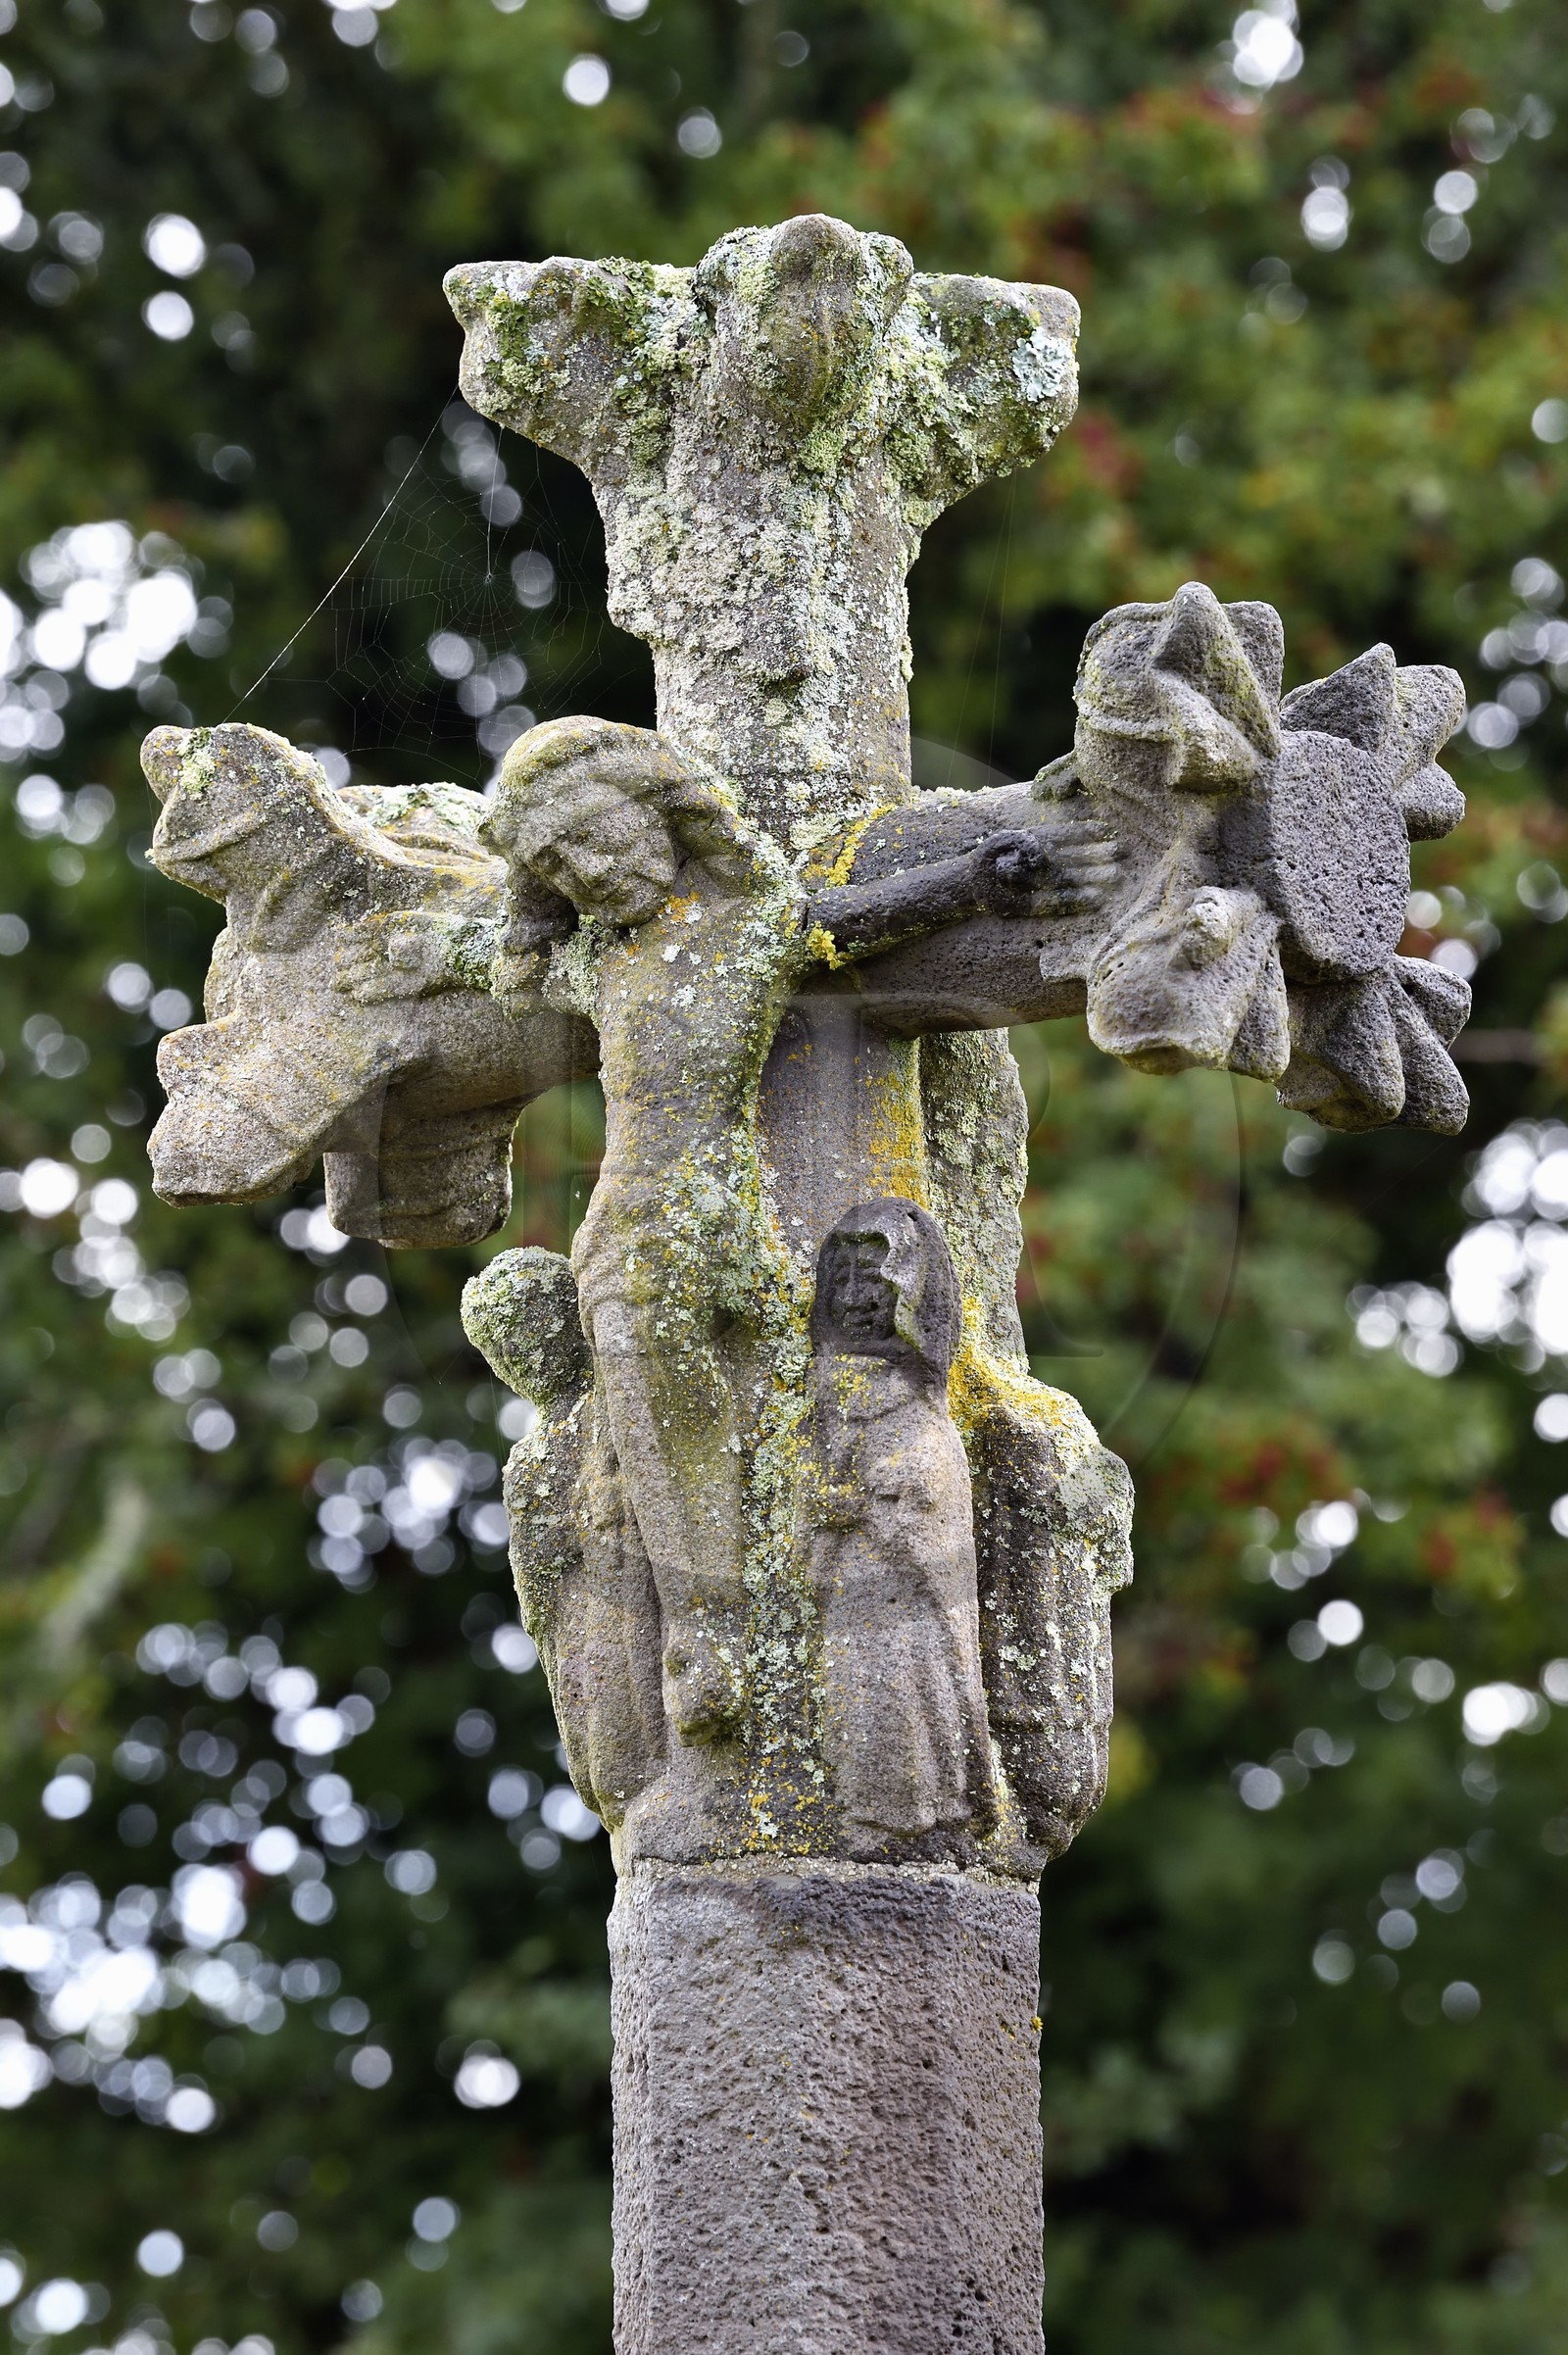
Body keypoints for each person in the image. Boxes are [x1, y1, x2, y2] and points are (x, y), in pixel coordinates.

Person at [807, 1199, 1000, 1853]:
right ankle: (870, 1817)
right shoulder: (827, 1400)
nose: (859, 1297)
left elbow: (931, 1509)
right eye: (844, 1278)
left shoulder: (919, 1406)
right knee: (857, 1694)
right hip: (847, 1591)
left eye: (877, 1277)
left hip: (910, 1596)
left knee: (914, 1691)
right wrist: (831, 1514)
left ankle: (933, 1816)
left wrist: (881, 1505)